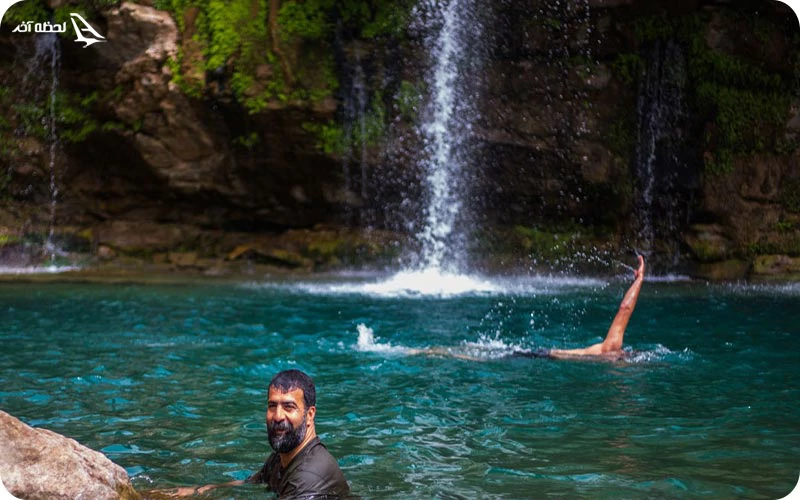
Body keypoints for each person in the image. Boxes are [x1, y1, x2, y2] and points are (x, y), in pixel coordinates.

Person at [409, 255, 646, 362]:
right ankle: (433, 353)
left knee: (491, 353)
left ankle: (437, 351)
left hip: (543, 355)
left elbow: (624, 309)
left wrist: (638, 279)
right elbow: (624, 308)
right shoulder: (610, 350)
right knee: (485, 359)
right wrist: (639, 280)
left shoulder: (608, 348)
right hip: (542, 358)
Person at [161, 369, 350, 498]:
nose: (277, 416)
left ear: (309, 415)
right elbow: (250, 483)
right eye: (272, 405)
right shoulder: (282, 457)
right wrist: (197, 491)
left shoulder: (308, 479)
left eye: (289, 407)